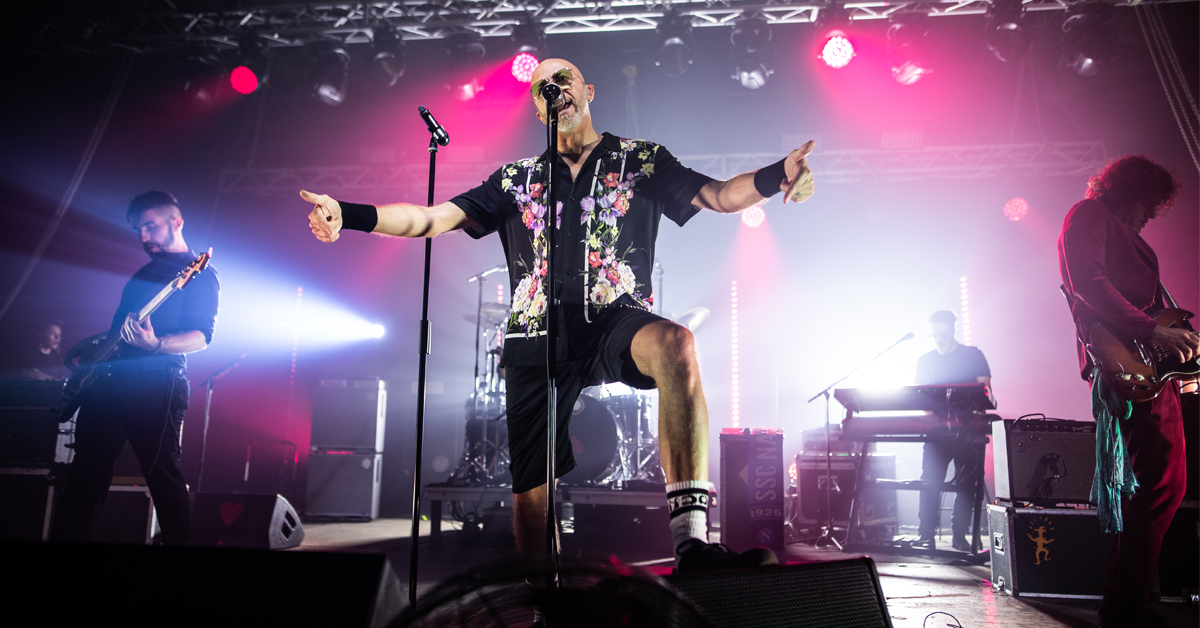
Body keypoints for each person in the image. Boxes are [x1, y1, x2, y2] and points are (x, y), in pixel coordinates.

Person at [300, 58, 815, 571]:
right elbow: (431, 218)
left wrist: (779, 175)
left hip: (612, 316)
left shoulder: (639, 160)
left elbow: (720, 195)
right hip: (535, 335)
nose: (553, 89)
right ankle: (545, 599)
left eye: (563, 79)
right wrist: (349, 214)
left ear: (588, 91)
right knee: (531, 500)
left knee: (675, 343)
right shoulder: (515, 179)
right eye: (541, 86)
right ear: (536, 108)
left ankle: (691, 545)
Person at [1058, 155, 1197, 628]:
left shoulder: (1117, 229)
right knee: (1160, 484)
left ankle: (1125, 600)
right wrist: (1153, 332)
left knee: (1161, 484)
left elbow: (1152, 306)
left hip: (1150, 367)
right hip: (1128, 362)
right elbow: (1087, 283)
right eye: (1148, 203)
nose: (1152, 214)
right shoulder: (1088, 214)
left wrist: (1183, 357)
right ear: (1129, 190)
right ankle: (1125, 605)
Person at [50, 191, 219, 545]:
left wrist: (155, 344)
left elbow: (202, 337)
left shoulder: (200, 272)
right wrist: (93, 352)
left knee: (162, 478)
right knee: (84, 479)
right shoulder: (143, 273)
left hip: (157, 384)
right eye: (137, 229)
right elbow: (119, 332)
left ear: (176, 222)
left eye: (150, 226)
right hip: (108, 382)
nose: (143, 235)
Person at [914, 310, 992, 551]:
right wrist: (935, 421)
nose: (937, 339)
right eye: (932, 335)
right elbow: (919, 396)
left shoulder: (973, 355)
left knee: (967, 484)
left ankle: (960, 536)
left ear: (952, 330)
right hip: (937, 432)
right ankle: (925, 535)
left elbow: (985, 390)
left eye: (941, 334)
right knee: (929, 482)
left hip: (967, 429)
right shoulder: (925, 360)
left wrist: (973, 413)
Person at [3, 319, 70, 381]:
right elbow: (30, 375)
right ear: (40, 335)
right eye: (53, 334)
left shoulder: (59, 359)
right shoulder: (26, 356)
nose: (57, 338)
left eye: (59, 335)